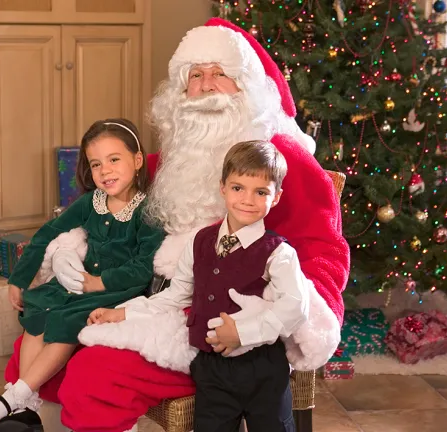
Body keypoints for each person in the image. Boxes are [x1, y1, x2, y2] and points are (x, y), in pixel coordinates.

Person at [4, 17, 350, 432]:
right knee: (40, 334)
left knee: (94, 375)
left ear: (248, 86)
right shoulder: (170, 160)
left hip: (222, 329)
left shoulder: (280, 161)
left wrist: (277, 321)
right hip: (151, 298)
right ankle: (24, 416)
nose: (205, 86)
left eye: (220, 74)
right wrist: (65, 252)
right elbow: (100, 208)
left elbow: (324, 250)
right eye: (195, 76)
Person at [90, 140, 310, 431]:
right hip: (212, 370)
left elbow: (296, 307)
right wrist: (124, 313)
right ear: (222, 188)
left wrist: (242, 333)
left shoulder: (278, 253)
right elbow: (176, 295)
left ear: (276, 197)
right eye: (237, 188)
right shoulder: (200, 241)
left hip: (263, 370)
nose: (247, 199)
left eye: (260, 192)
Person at [0, 118, 165, 432]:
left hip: (118, 290)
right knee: (40, 305)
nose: (105, 171)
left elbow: (143, 266)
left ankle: (13, 397)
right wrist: (20, 278)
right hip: (82, 282)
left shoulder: (148, 211)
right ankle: (27, 404)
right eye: (96, 164)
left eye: (114, 160)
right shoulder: (90, 203)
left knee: (67, 319)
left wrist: (98, 282)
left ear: (137, 161)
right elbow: (46, 234)